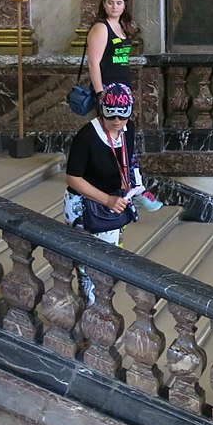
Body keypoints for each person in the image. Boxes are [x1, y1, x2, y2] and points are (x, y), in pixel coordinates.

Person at [63, 82, 144, 304]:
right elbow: (73, 178)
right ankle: (90, 311)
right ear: (102, 112)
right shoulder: (86, 136)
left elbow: (129, 157)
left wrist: (134, 184)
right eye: (111, 117)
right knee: (87, 266)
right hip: (85, 204)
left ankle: (100, 306)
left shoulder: (128, 129)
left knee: (108, 262)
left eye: (122, 117)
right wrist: (107, 199)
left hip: (115, 201)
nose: (117, 122)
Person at [85, 0, 160, 212]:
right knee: (117, 134)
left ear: (125, 5)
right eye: (110, 3)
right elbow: (94, 62)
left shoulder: (123, 26)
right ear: (104, 4)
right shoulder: (101, 28)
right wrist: (100, 93)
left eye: (118, 3)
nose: (114, 6)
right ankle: (127, 185)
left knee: (125, 134)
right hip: (109, 90)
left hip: (123, 90)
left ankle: (127, 183)